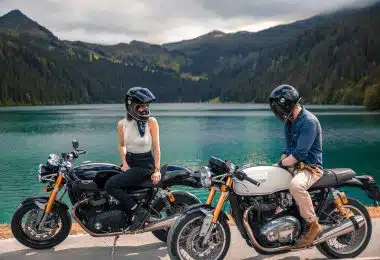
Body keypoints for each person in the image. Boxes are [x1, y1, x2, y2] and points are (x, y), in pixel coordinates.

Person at [269, 84, 323, 247]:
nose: (277, 112)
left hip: (311, 168)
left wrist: (281, 163)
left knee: (296, 186)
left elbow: (299, 154)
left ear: (286, 105)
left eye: (278, 108)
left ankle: (314, 225)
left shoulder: (309, 122)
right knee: (269, 178)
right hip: (295, 166)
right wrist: (277, 165)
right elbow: (288, 151)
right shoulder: (290, 122)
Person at [105, 86, 161, 231]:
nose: (144, 109)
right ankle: (125, 216)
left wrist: (157, 170)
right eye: (140, 106)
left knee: (111, 185)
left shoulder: (151, 122)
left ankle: (139, 212)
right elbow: (122, 145)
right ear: (130, 105)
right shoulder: (122, 124)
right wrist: (124, 162)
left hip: (144, 165)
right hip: (129, 162)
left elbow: (156, 148)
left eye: (146, 105)